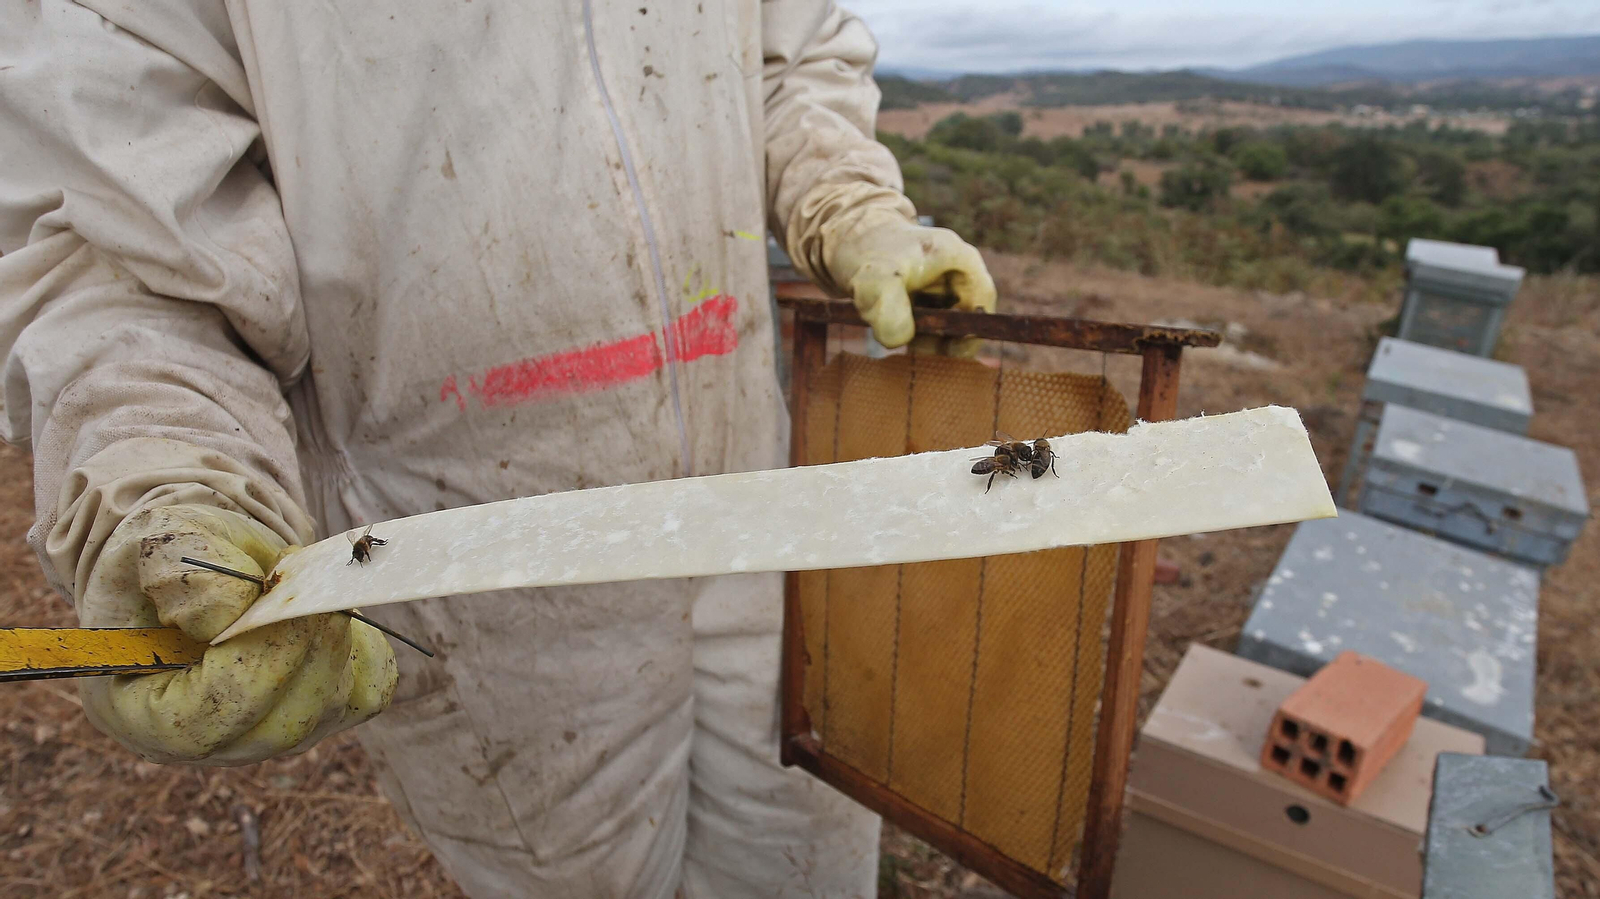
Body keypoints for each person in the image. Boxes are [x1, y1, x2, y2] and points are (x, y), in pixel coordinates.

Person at [0, 1, 997, 896]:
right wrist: (168, 474)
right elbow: (110, 239)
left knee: (807, 862)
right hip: (483, 580)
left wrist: (851, 202)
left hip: (753, 519)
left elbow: (788, 56)